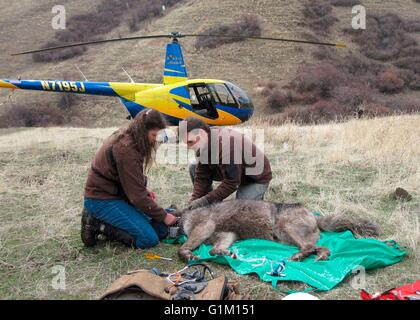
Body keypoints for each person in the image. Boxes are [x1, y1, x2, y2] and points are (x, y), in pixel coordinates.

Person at [82, 109, 177, 249]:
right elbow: (137, 198)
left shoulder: (133, 139)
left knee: (161, 230)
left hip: (118, 194)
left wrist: (143, 189)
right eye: (154, 135)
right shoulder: (126, 149)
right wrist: (164, 216)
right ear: (143, 130)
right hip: (101, 199)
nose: (155, 139)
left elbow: (127, 177)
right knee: (148, 239)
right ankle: (96, 223)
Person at [182, 116, 272, 210]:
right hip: (232, 170)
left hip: (254, 177)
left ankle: (256, 202)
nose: (188, 147)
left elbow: (232, 183)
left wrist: (205, 200)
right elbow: (202, 176)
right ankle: (209, 207)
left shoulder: (226, 145)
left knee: (242, 212)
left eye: (190, 142)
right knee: (194, 166)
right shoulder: (203, 142)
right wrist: (194, 200)